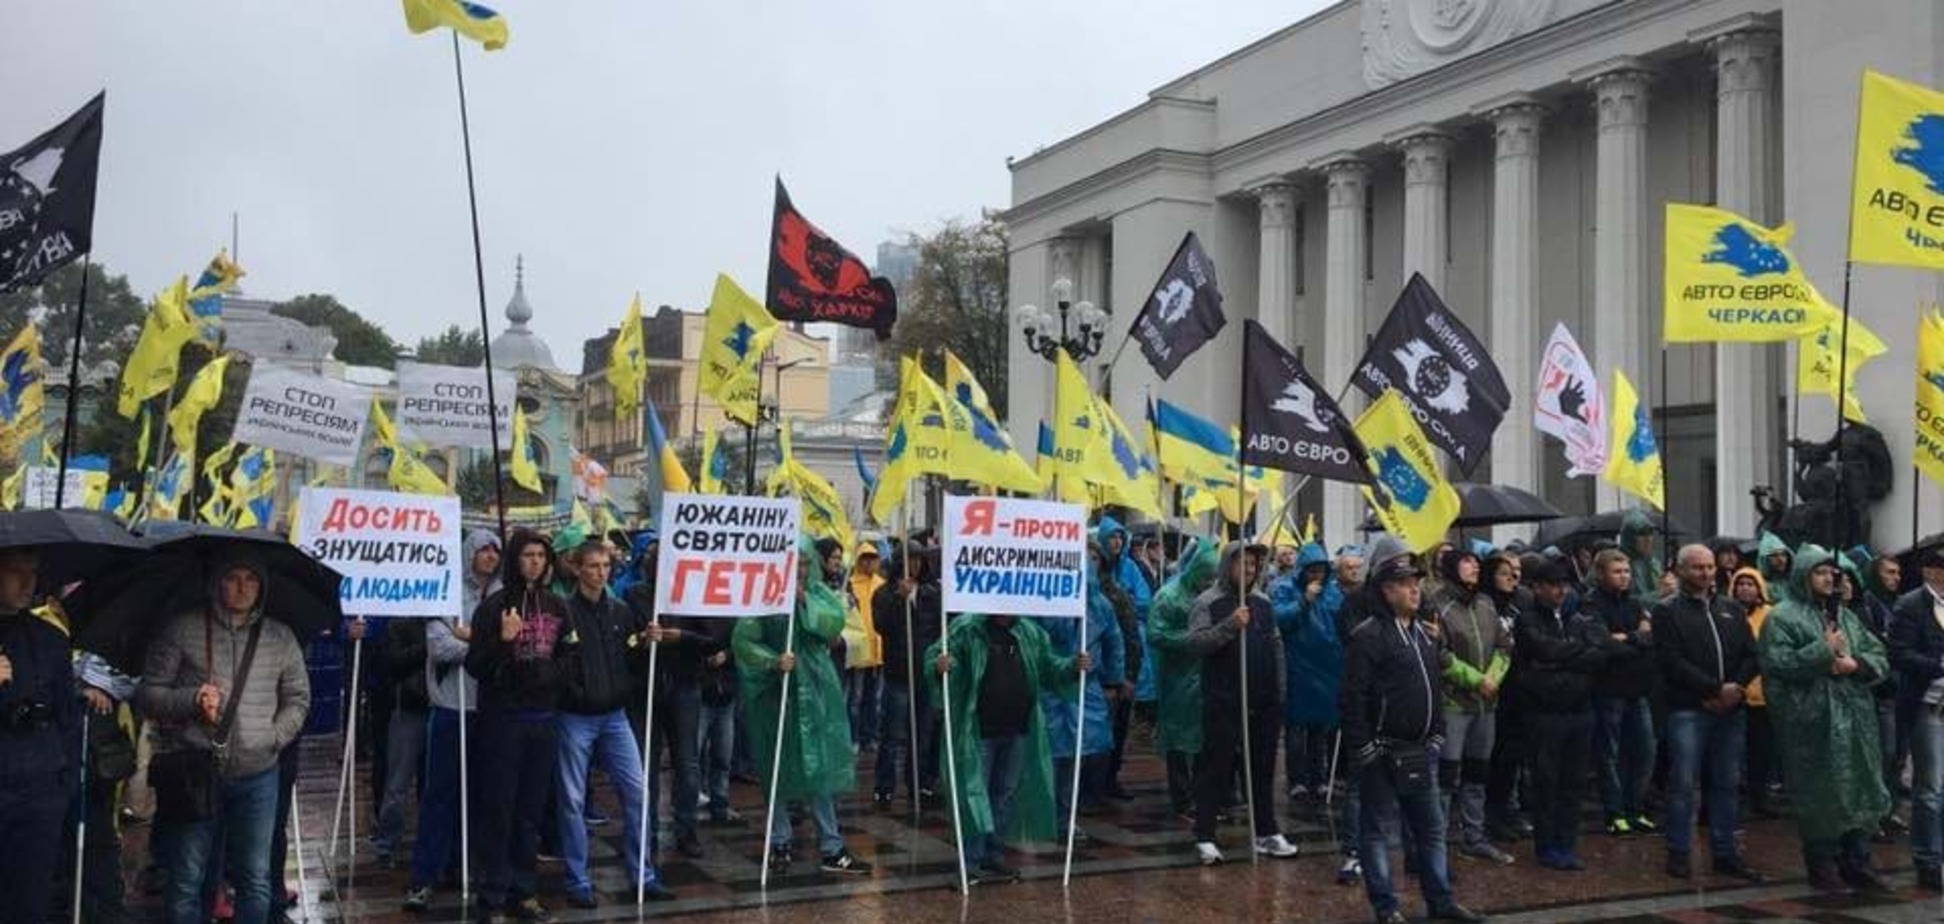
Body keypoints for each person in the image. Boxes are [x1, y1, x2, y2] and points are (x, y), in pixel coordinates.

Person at [137, 552, 311, 924]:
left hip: (259, 773)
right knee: (187, 878)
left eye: (252, 578)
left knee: (255, 878)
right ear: (217, 580)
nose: (243, 587)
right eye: (233, 577)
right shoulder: (182, 628)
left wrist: (273, 737)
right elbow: (149, 693)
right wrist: (192, 699)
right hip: (198, 769)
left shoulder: (280, 636)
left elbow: (298, 698)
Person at [1342, 554, 1486, 924]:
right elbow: (1352, 698)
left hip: (1422, 750)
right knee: (1376, 832)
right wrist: (1365, 747)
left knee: (1431, 829)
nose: (1415, 590)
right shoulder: (1369, 635)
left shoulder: (1424, 633)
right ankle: (1386, 906)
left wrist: (1437, 732)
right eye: (1407, 584)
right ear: (1388, 591)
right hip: (1383, 752)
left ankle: (1441, 900)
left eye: (1417, 584)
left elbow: (1434, 686)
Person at [736, 535, 874, 876]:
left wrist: (802, 603)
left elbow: (832, 623)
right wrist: (772, 661)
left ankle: (831, 845)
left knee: (820, 770)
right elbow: (742, 641)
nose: (799, 572)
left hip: (815, 696)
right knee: (776, 768)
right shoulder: (762, 600)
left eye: (803, 566)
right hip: (774, 696)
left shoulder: (817, 594)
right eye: (793, 566)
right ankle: (779, 840)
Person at [1759, 544, 1892, 892]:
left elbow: (1877, 654)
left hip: (1854, 717)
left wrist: (1855, 665)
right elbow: (1778, 663)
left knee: (1859, 786)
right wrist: (1822, 651)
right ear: (1804, 575)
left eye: (1832, 573)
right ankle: (1823, 864)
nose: (1829, 578)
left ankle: (1858, 860)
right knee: (1821, 793)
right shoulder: (1782, 616)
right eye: (1819, 572)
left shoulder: (1846, 616)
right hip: (1812, 722)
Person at [552, 540, 671, 908]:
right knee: (571, 800)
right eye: (593, 566)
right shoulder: (563, 611)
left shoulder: (620, 610)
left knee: (637, 793)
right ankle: (578, 880)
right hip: (575, 717)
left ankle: (643, 874)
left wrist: (647, 645)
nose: (601, 572)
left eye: (606, 566)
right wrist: (573, 691)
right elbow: (556, 662)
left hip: (615, 716)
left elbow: (631, 657)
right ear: (577, 568)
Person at [927, 612, 1088, 884]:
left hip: (1017, 729)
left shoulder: (1030, 632)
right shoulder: (966, 628)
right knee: (974, 794)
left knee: (1003, 795)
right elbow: (937, 658)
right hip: (980, 730)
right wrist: (939, 666)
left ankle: (993, 854)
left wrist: (1073, 666)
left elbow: (1050, 667)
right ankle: (970, 860)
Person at [465, 529, 569, 924]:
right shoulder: (494, 608)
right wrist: (505, 642)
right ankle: (491, 897)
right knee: (499, 811)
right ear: (515, 559)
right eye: (527, 555)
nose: (535, 563)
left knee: (529, 812)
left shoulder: (557, 605)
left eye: (541, 556)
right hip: (503, 723)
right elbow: (477, 665)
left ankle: (524, 891)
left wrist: (550, 677)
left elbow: (569, 654)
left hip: (542, 721)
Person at [1652, 544, 1763, 882]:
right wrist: (1713, 690)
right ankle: (1679, 851)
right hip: (1689, 708)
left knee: (1727, 783)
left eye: (1710, 567)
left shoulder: (1730, 608)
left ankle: (1726, 851)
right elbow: (1671, 662)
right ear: (1682, 570)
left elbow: (1751, 654)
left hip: (1731, 709)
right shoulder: (1667, 611)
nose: (1705, 573)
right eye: (1697, 567)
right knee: (1684, 783)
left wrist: (1736, 688)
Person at [1185, 542, 1300, 864]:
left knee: (1262, 769)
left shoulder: (1262, 602)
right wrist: (1229, 626)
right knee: (1216, 768)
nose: (1248, 569)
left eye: (1253, 564)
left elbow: (1275, 643)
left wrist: (1279, 689)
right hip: (1223, 699)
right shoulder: (1208, 602)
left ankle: (1267, 831)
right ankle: (1205, 834)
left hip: (1263, 701)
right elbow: (1194, 644)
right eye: (1242, 563)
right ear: (1227, 565)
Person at [402, 529, 496, 913]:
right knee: (439, 795)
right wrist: (484, 643)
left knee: (477, 795)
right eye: (483, 549)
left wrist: (472, 638)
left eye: (495, 550)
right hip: (450, 708)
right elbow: (439, 646)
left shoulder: (503, 594)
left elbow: (508, 645)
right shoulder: (446, 590)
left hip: (488, 709)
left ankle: (463, 866)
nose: (489, 556)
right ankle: (424, 875)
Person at [0, 549, 82, 924]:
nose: (26, 581)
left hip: (39, 786)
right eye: (15, 571)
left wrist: (63, 779)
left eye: (32, 572)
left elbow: (68, 715)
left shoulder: (49, 638)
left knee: (31, 900)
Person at [1513, 558, 1611, 870]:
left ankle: (1567, 843)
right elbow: (1541, 651)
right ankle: (1546, 845)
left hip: (1580, 711)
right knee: (1546, 782)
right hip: (1544, 713)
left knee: (1574, 782)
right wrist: (1572, 653)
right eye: (1553, 585)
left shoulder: (1580, 618)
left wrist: (1563, 656)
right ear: (1537, 588)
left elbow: (1600, 653)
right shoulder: (1527, 619)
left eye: (1563, 585)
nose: (1560, 591)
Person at [1428, 548, 1512, 866]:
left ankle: (1473, 837)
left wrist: (1493, 678)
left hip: (1485, 706)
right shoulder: (1437, 606)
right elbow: (1441, 654)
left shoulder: (1486, 604)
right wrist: (1477, 680)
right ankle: (1435, 842)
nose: (1474, 566)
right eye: (1467, 562)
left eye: (1476, 563)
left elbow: (1504, 645)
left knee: (1478, 772)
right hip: (1454, 704)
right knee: (1447, 776)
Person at [1037, 542, 1125, 824]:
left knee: (1077, 756)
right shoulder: (1046, 599)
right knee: (1049, 754)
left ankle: (1066, 816)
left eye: (1096, 558)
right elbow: (1034, 641)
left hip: (1085, 689)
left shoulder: (1101, 606)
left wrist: (1114, 679)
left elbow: (1114, 642)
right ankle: (1049, 813)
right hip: (1051, 689)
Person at [1580, 549, 1657, 837]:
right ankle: (1615, 813)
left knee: (1644, 752)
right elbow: (1603, 644)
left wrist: (1630, 637)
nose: (1624, 576)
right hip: (1608, 689)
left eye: (1626, 571)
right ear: (1601, 574)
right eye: (1617, 571)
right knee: (1609, 754)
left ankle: (1636, 808)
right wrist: (1636, 640)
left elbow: (1652, 638)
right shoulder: (1591, 604)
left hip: (1638, 689)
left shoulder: (1636, 603)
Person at [1149, 540, 1220, 821]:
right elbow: (1155, 634)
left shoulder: (1213, 594)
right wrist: (1189, 641)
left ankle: (1204, 796)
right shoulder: (1168, 596)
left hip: (1207, 676)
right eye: (1204, 575)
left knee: (1205, 739)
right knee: (1179, 741)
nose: (1208, 581)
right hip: (1177, 677)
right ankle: (1182, 800)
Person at [873, 546, 944, 808]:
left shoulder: (932, 592)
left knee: (922, 734)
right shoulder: (884, 593)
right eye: (910, 560)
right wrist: (898, 600)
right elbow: (882, 626)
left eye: (919, 560)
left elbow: (939, 627)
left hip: (924, 674)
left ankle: (918, 783)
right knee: (891, 734)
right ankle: (884, 786)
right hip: (897, 673)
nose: (914, 565)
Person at [1272, 542, 1343, 805]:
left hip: (1327, 669)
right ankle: (1297, 780)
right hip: (1298, 668)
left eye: (1321, 570)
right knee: (1296, 729)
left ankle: (1320, 778)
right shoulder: (1284, 588)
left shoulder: (1334, 594)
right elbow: (1279, 618)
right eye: (1312, 570)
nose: (1317, 576)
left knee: (1321, 729)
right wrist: (1304, 602)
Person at [1891, 546, 1944, 890]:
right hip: (1929, 705)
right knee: (1930, 787)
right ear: (1931, 572)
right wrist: (1938, 666)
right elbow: (1899, 652)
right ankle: (1927, 859)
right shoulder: (1911, 604)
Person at [1096, 517, 1149, 802]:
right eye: (1111, 537)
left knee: (1120, 725)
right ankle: (1095, 783)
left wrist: (1125, 600)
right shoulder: (1096, 577)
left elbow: (1145, 602)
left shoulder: (1130, 568)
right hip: (1100, 664)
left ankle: (1111, 778)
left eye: (1120, 537)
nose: (1116, 542)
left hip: (1126, 656)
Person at [1481, 552, 1532, 846]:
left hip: (1518, 689)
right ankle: (1489, 816)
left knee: (1511, 757)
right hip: (1490, 688)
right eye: (1504, 572)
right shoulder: (1484, 606)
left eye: (1514, 571)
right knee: (1492, 758)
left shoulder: (1519, 605)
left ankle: (1506, 812)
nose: (1512, 577)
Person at [1731, 568, 1781, 819]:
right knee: (1736, 750)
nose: (1746, 588)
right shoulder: (1728, 613)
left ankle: (1759, 797)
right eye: (1741, 584)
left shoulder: (1771, 615)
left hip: (1765, 693)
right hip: (1736, 693)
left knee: (1761, 750)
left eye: (1751, 584)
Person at [843, 544, 886, 754]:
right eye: (865, 558)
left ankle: (871, 737)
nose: (869, 562)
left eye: (873, 558)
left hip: (879, 652)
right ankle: (854, 737)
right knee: (856, 699)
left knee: (875, 700)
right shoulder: (849, 584)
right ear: (858, 560)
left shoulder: (882, 584)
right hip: (859, 652)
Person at [1758, 532, 1795, 605]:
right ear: (1764, 559)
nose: (1780, 559)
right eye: (1774, 556)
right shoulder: (1759, 585)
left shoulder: (1795, 583)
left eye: (1783, 554)